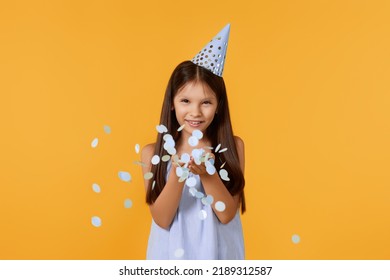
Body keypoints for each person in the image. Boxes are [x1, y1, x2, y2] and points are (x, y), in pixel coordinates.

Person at [141, 24, 246, 260]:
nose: (195, 112)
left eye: (206, 102)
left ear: (218, 106)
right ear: (172, 103)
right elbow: (162, 219)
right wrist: (178, 174)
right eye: (186, 101)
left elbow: (227, 214)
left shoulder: (233, 147)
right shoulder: (152, 154)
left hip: (220, 257)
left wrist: (208, 175)